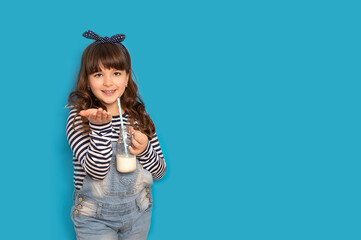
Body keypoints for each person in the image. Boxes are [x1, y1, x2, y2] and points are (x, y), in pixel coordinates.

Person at [66, 30, 167, 240]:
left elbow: (159, 173)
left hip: (139, 213)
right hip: (95, 217)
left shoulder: (140, 118)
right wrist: (100, 129)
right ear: (87, 80)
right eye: (98, 74)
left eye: (116, 73)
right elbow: (96, 171)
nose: (108, 83)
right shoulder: (80, 119)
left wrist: (145, 150)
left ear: (127, 77)